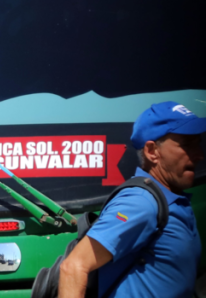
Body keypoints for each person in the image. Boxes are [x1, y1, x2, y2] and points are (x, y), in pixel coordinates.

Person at [59, 101, 205, 298]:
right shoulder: (140, 203)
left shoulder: (173, 200)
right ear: (152, 151)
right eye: (187, 145)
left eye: (198, 143)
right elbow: (73, 267)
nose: (199, 155)